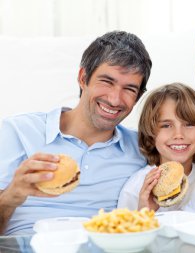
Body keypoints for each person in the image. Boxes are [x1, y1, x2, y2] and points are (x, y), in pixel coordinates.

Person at [0, 31, 152, 235]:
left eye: (129, 89)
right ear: (83, 78)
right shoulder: (17, 132)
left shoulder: (142, 148)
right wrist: (10, 197)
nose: (115, 99)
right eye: (107, 81)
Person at [117, 83, 195, 211]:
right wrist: (145, 213)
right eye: (166, 125)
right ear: (151, 134)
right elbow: (124, 229)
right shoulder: (136, 188)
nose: (178, 135)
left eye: (189, 124)